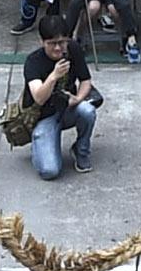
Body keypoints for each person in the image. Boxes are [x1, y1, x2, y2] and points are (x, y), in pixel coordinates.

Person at [22, 10, 97, 176]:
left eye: (62, 42)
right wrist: (54, 76)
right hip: (44, 116)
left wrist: (77, 99)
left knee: (87, 111)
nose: (58, 48)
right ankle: (39, 144)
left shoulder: (73, 50)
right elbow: (39, 98)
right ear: (42, 41)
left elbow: (86, 81)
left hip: (67, 109)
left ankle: (81, 150)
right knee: (50, 171)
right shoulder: (33, 62)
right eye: (52, 43)